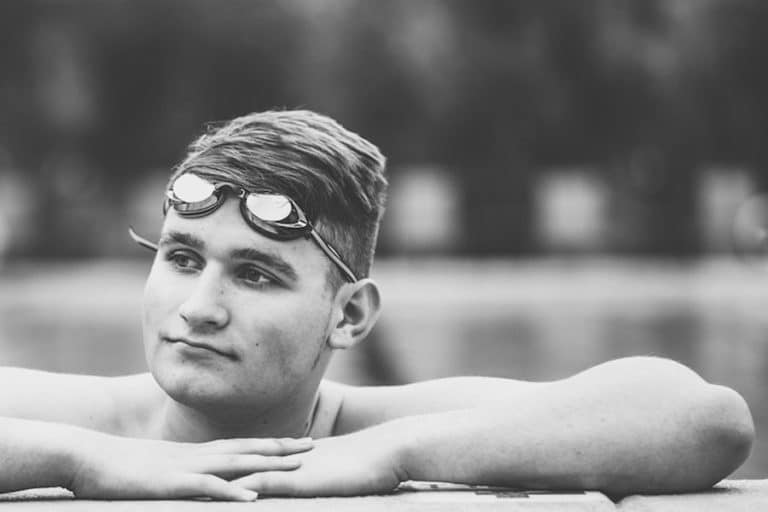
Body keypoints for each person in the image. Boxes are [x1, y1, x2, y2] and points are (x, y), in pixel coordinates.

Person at [0, 110, 754, 501]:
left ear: (350, 316)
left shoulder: (374, 430)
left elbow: (705, 420)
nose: (199, 308)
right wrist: (78, 460)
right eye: (182, 257)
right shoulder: (88, 423)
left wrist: (395, 456)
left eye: (257, 275)